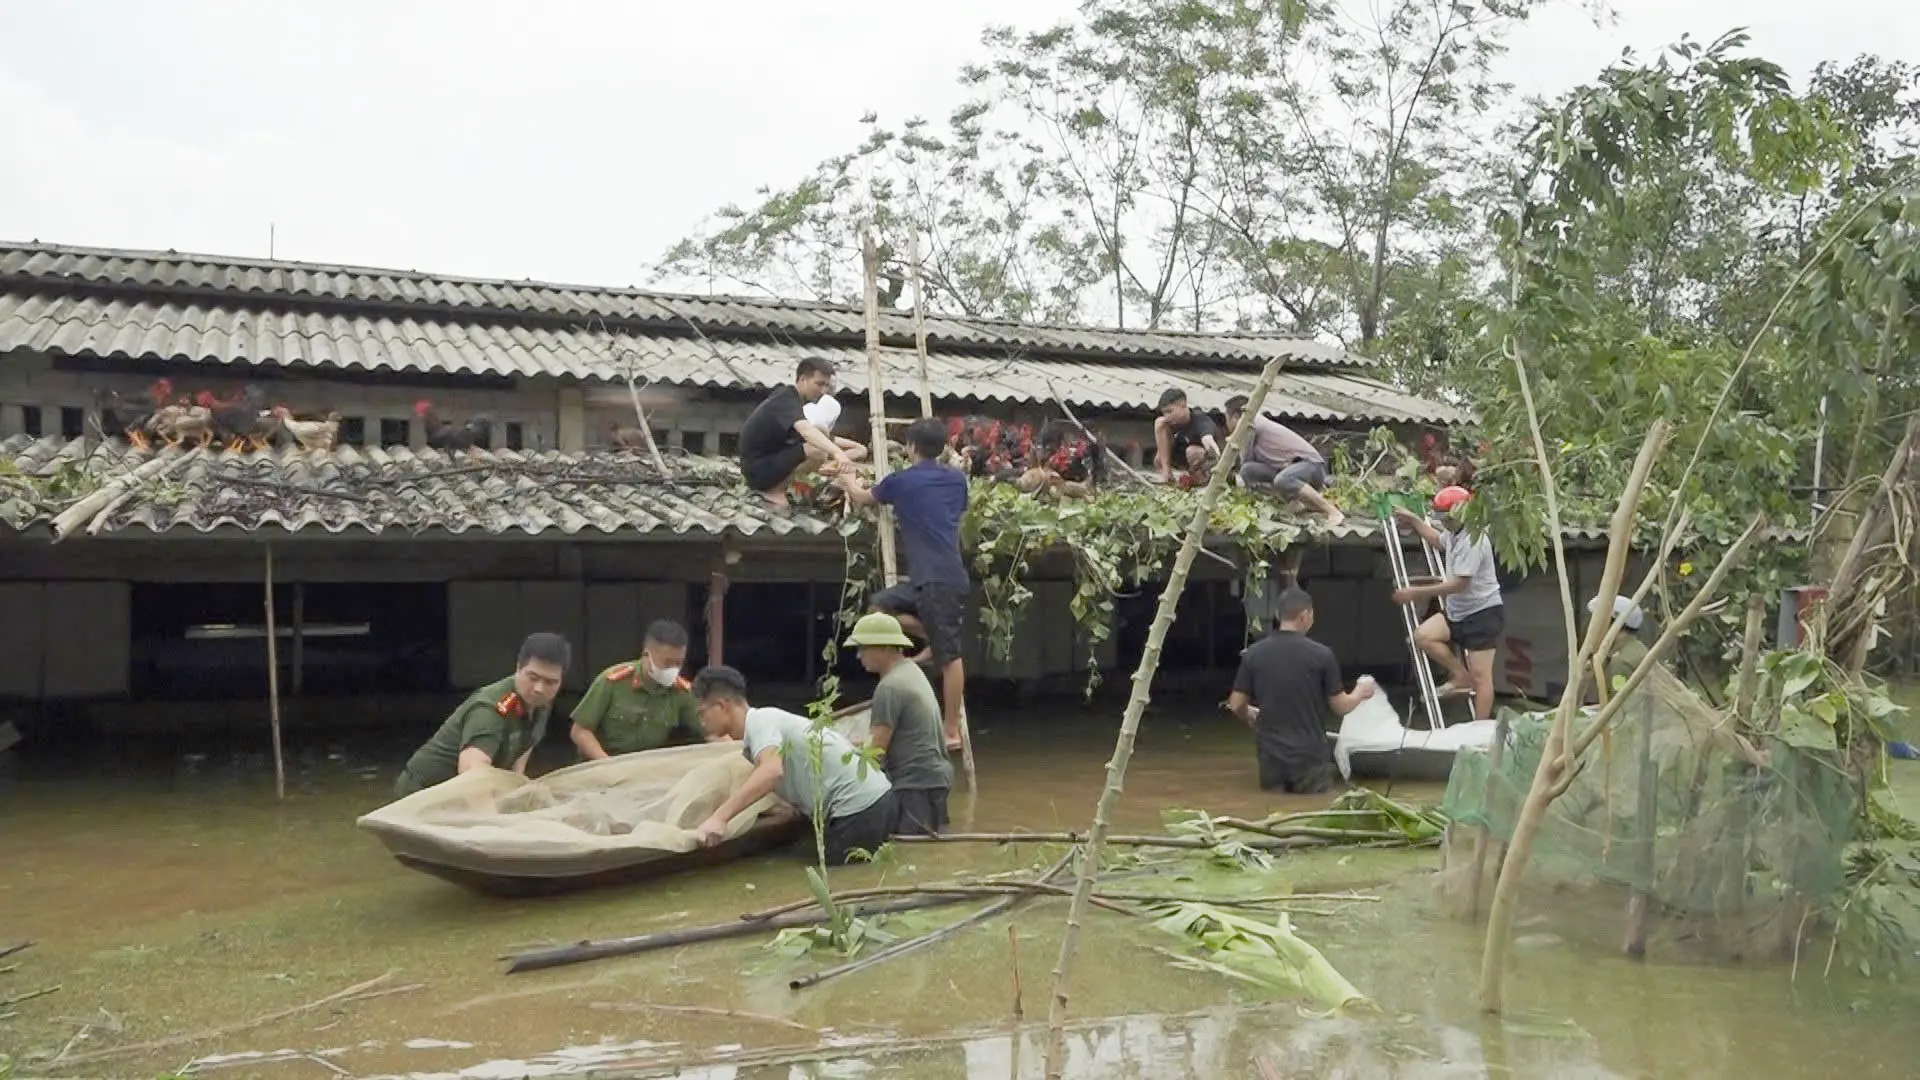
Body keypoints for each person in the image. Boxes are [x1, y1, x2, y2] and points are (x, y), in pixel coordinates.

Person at [836, 416, 971, 753]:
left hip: (939, 578)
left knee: (950, 658)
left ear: (910, 447)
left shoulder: (901, 482)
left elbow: (861, 497)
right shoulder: (957, 481)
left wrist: (847, 477)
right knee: (878, 610)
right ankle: (931, 641)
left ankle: (951, 728)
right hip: (930, 577)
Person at [689, 665, 896, 864]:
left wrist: (719, 818)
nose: (701, 722)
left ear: (722, 706)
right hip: (878, 802)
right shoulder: (763, 725)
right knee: (796, 855)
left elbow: (771, 771)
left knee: (819, 872)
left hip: (860, 809)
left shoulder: (760, 723)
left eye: (702, 712)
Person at [1227, 587, 1376, 793]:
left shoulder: (1253, 654)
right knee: (1311, 813)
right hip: (1310, 758)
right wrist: (1360, 692)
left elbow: (1235, 704)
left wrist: (1249, 712)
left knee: (1272, 814)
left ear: (1279, 615)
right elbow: (1340, 706)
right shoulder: (1322, 655)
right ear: (1305, 616)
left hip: (1271, 758)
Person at [394, 633, 569, 796]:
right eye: (533, 677)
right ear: (518, 668)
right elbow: (471, 769)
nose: (539, 688)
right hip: (423, 793)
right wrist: (490, 821)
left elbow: (524, 746)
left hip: (462, 796)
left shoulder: (540, 703)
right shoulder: (490, 708)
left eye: (550, 682)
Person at [1392, 485, 1503, 720]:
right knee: (1423, 636)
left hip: (1482, 613)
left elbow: (1459, 584)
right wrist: (1414, 520)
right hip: (1458, 611)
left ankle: (1479, 729)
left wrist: (1416, 592)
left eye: (1447, 517)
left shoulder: (1474, 539)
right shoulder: (1455, 534)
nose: (1445, 522)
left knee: (1482, 677)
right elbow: (1436, 539)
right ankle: (1459, 675)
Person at [846, 612, 953, 835]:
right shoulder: (911, 671)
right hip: (935, 778)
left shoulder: (889, 687)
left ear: (885, 647)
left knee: (910, 852)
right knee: (929, 849)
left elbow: (874, 754)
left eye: (863, 648)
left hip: (915, 785)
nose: (859, 656)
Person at [569, 619, 716, 760]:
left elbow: (712, 731)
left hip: (645, 770)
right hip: (603, 764)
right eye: (667, 663)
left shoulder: (681, 692)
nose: (673, 669)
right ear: (647, 655)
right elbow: (580, 731)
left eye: (678, 663)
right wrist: (607, 764)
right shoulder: (612, 681)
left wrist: (732, 750)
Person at [737, 357, 853, 509]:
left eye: (826, 386)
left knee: (821, 436)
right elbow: (806, 430)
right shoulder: (785, 399)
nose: (823, 391)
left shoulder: (793, 401)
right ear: (803, 379)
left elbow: (816, 433)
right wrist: (838, 453)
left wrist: (851, 448)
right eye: (819, 384)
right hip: (757, 470)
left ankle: (781, 487)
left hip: (768, 461)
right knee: (818, 450)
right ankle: (774, 490)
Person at [1223, 395, 1345, 526]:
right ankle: (1295, 502)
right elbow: (1247, 466)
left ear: (1236, 416)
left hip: (1311, 466)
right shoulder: (1254, 423)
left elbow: (1246, 457)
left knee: (1282, 479)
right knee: (1248, 471)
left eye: (1226, 419)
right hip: (1290, 469)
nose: (1226, 424)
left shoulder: (1250, 423)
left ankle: (1332, 511)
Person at [1153, 388, 1222, 484]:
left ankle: (1200, 483)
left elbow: (1207, 435)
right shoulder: (1169, 423)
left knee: (1193, 452)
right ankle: (1167, 475)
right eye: (1164, 412)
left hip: (1202, 462)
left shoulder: (1199, 420)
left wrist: (1208, 441)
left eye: (1169, 411)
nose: (1167, 416)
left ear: (1183, 405)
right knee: (1160, 423)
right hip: (1181, 458)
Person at [801, 392, 870, 465]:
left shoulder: (829, 403)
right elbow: (816, 427)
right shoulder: (806, 407)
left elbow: (825, 432)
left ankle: (829, 466)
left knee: (861, 450)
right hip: (808, 439)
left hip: (826, 438)